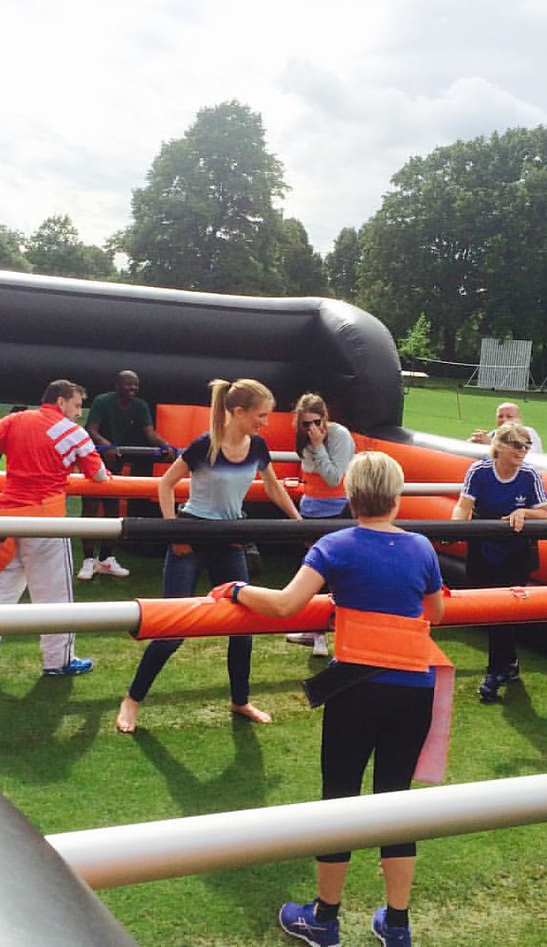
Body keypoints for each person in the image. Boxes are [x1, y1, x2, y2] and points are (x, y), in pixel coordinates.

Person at [217, 451, 445, 947]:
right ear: (397, 494)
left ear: (349, 493)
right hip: (413, 689)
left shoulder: (335, 545)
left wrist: (237, 589)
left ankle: (324, 918)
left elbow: (284, 604)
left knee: (339, 797)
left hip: (356, 690)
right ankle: (397, 923)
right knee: (396, 801)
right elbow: (437, 612)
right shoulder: (422, 547)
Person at [115, 378, 301, 734]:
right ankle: (132, 700)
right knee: (172, 631)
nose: (264, 422)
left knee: (242, 627)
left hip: (231, 542)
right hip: (192, 538)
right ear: (237, 411)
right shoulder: (205, 446)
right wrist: (174, 533)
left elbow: (274, 487)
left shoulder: (258, 446)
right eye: (260, 415)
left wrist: (300, 524)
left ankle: (240, 700)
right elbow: (165, 484)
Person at [0, 379, 108, 681]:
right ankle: (58, 661)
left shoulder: (17, 419)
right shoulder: (73, 433)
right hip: (46, 525)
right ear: (62, 402)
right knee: (55, 598)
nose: (79, 413)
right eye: (77, 405)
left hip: (8, 524)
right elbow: (101, 476)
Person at [450, 422, 547, 702]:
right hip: (482, 545)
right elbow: (463, 505)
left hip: (515, 550)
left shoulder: (530, 475)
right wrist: (454, 528)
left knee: (501, 609)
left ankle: (495, 672)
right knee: (487, 608)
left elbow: (545, 514)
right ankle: (510, 663)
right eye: (517, 445)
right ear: (500, 446)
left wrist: (523, 513)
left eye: (526, 446)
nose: (523, 451)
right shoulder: (480, 471)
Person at [77, 370, 176, 580]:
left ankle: (106, 559)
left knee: (113, 508)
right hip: (94, 459)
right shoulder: (103, 401)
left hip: (116, 460)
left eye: (136, 386)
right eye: (128, 385)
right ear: (117, 385)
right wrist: (107, 446)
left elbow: (149, 433)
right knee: (91, 507)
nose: (132, 389)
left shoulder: (140, 405)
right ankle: (88, 560)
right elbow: (91, 430)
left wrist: (166, 446)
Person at [285, 392, 356, 659]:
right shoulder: (302, 439)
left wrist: (318, 446)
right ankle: (313, 629)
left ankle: (326, 633)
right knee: (310, 571)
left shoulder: (340, 436)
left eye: (316, 422)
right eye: (305, 424)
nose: (312, 428)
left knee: (333, 574)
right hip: (311, 508)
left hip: (336, 510)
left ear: (325, 418)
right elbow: (309, 474)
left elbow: (334, 477)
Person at [469, 401, 543, 454]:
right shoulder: (493, 434)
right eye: (500, 416)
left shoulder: (528, 433)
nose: (504, 419)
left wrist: (491, 444)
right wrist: (472, 443)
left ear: (519, 418)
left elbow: (532, 456)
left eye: (509, 416)